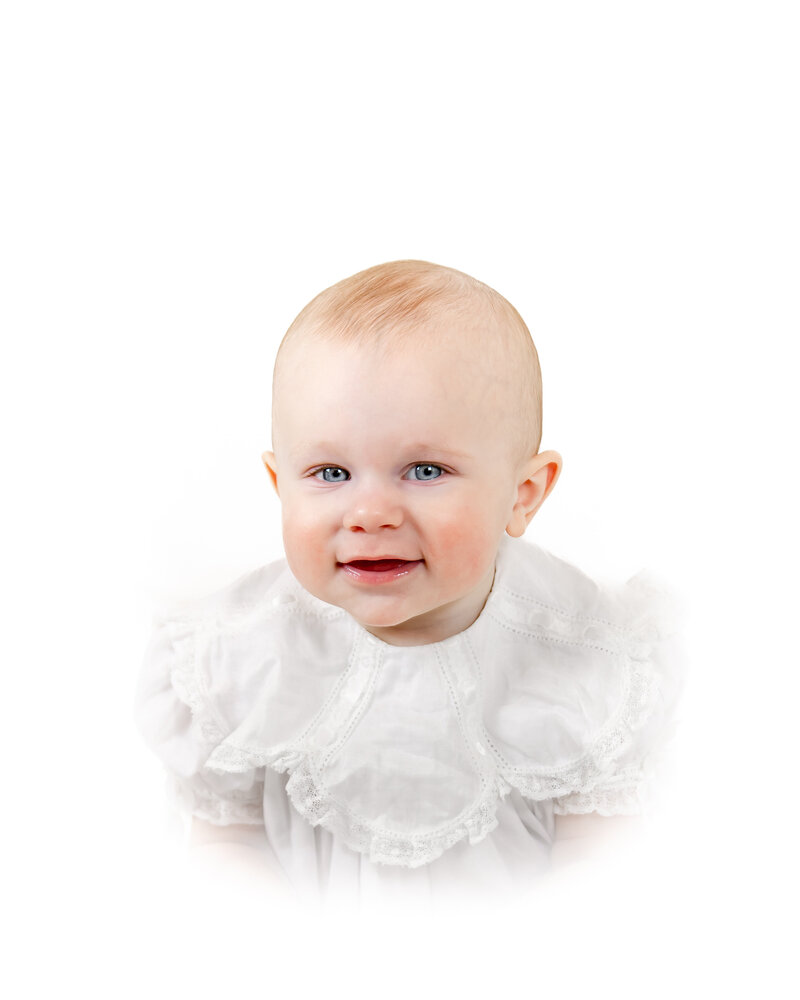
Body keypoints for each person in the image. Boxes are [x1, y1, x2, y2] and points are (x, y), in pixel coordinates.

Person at [136, 260, 683, 903]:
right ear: (280, 485)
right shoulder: (244, 655)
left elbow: (605, 860)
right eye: (331, 474)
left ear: (523, 494)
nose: (370, 515)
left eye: (423, 471)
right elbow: (225, 844)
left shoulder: (580, 658)